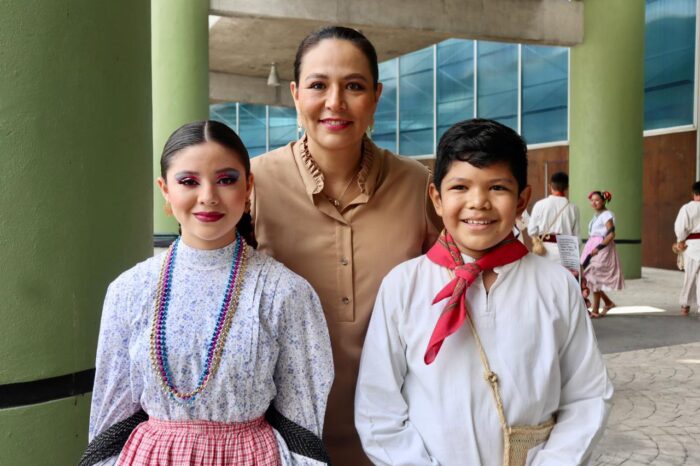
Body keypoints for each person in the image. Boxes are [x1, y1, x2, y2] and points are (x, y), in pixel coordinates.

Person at [355, 119, 613, 466]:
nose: (479, 203)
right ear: (436, 197)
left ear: (523, 199)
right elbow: (378, 406)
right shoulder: (403, 286)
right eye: (460, 187)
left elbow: (587, 395)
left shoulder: (556, 286)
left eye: (498, 188)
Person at [88, 121, 333, 466]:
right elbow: (108, 424)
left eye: (226, 179)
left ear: (248, 186)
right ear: (165, 190)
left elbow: (303, 431)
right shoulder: (129, 290)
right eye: (189, 181)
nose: (208, 196)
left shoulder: (286, 292)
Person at [250, 26, 438, 465]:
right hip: (284, 442)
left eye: (353, 86)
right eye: (318, 85)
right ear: (296, 95)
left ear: (375, 96)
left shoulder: (417, 185)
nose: (335, 102)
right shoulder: (253, 185)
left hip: (401, 437)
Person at [581, 190, 625, 318]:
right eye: (592, 200)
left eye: (597, 200)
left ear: (604, 201)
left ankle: (595, 309)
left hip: (601, 247)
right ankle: (608, 303)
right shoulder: (597, 215)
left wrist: (599, 247)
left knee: (593, 275)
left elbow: (611, 233)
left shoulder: (607, 214)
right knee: (591, 277)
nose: (593, 203)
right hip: (592, 245)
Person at [527, 171, 580, 263]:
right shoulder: (573, 208)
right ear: (567, 187)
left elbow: (531, 230)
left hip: (544, 251)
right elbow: (577, 237)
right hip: (566, 253)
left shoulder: (540, 205)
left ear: (550, 186)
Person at [674, 181, 700, 315]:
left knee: (689, 276)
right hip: (694, 244)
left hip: (692, 246)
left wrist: (680, 241)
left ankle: (685, 306)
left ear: (694, 193)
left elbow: (681, 228)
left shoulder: (687, 208)